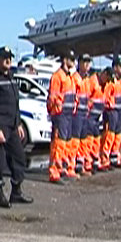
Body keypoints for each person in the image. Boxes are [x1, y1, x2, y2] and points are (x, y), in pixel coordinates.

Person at [0, 46, 32, 205]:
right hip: (1, 126)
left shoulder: (12, 77)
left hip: (13, 125)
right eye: (5, 58)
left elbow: (16, 103)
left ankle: (16, 191)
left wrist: (19, 123)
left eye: (10, 58)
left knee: (19, 157)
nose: (8, 61)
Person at [47, 51, 76, 184]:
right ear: (65, 60)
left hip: (68, 114)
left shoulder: (69, 76)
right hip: (60, 114)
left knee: (66, 143)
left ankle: (62, 169)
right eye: (71, 59)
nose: (73, 61)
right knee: (58, 143)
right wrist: (57, 111)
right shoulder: (57, 76)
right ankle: (54, 172)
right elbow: (53, 97)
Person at [102, 57, 121, 169]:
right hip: (111, 111)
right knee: (109, 136)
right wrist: (109, 105)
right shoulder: (111, 82)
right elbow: (105, 97)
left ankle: (114, 158)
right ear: (115, 67)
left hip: (119, 111)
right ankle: (105, 160)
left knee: (117, 136)